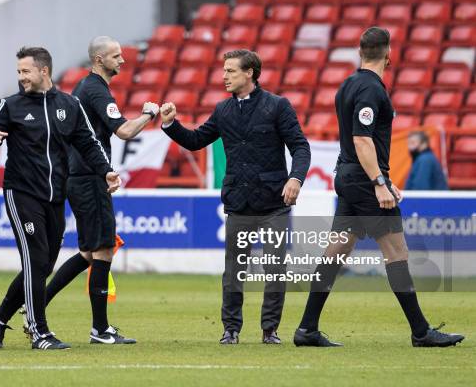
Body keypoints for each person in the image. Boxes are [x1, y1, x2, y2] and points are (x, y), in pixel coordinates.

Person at [293, 27, 464, 348]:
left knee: (337, 249)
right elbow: (362, 138)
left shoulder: (347, 85)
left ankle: (307, 329)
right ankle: (421, 331)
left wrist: (380, 176)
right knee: (396, 252)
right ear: (389, 55)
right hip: (363, 180)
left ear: (359, 52)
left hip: (347, 175)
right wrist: (379, 182)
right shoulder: (372, 89)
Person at [160, 49, 311, 344]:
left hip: (273, 205)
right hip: (238, 204)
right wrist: (171, 124)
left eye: (230, 71)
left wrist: (296, 178)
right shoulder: (222, 110)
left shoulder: (278, 106)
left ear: (250, 73)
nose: (223, 76)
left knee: (275, 268)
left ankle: (270, 330)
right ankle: (230, 329)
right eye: (224, 70)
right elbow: (195, 141)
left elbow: (300, 147)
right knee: (233, 271)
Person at [0, 46, 121, 350]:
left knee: (43, 266)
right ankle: (39, 332)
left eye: (25, 71)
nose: (21, 78)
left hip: (55, 196)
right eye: (18, 72)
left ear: (43, 71)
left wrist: (107, 171)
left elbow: (88, 143)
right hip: (21, 194)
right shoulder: (10, 105)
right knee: (34, 260)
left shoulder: (69, 105)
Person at [20, 36, 158, 344]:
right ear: (99, 60)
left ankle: (34, 304)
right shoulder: (95, 90)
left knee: (87, 252)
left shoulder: (87, 88)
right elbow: (123, 130)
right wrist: (149, 114)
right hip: (89, 177)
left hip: (79, 176)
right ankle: (100, 330)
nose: (122, 60)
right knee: (103, 249)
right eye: (115, 56)